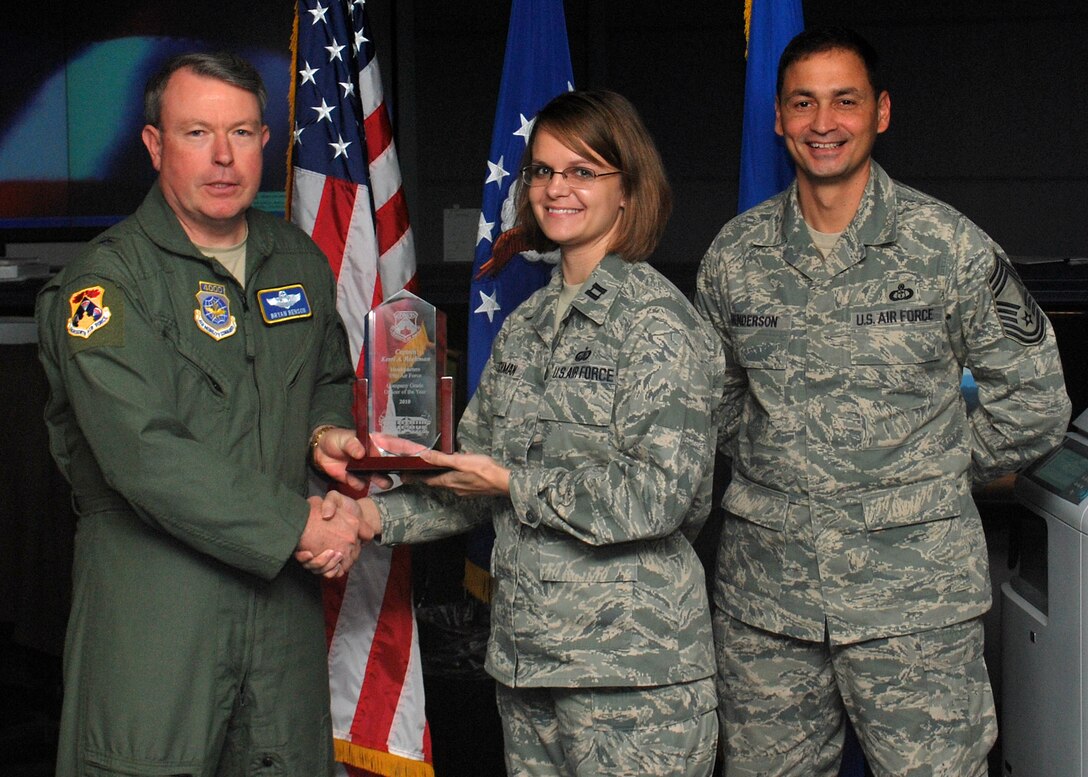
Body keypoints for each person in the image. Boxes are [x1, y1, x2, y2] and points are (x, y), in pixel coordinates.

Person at [694, 26, 1072, 777]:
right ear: (778, 119)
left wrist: (930, 469)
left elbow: (1035, 397)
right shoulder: (734, 258)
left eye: (845, 100)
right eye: (803, 102)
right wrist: (789, 460)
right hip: (770, 607)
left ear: (882, 112)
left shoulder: (947, 246)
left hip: (915, 606)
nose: (823, 122)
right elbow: (713, 402)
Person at [360, 89, 722, 776]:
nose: (557, 188)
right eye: (544, 171)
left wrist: (512, 481)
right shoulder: (526, 328)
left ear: (629, 190)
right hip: (529, 671)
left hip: (632, 681)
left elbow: (659, 495)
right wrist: (363, 516)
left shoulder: (658, 325)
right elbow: (472, 480)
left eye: (582, 171)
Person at [35, 52, 373, 776]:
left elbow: (327, 377)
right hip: (159, 612)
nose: (223, 157)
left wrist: (325, 433)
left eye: (243, 132)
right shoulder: (106, 281)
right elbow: (144, 453)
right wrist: (299, 526)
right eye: (197, 133)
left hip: (280, 610)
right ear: (156, 144)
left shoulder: (297, 260)